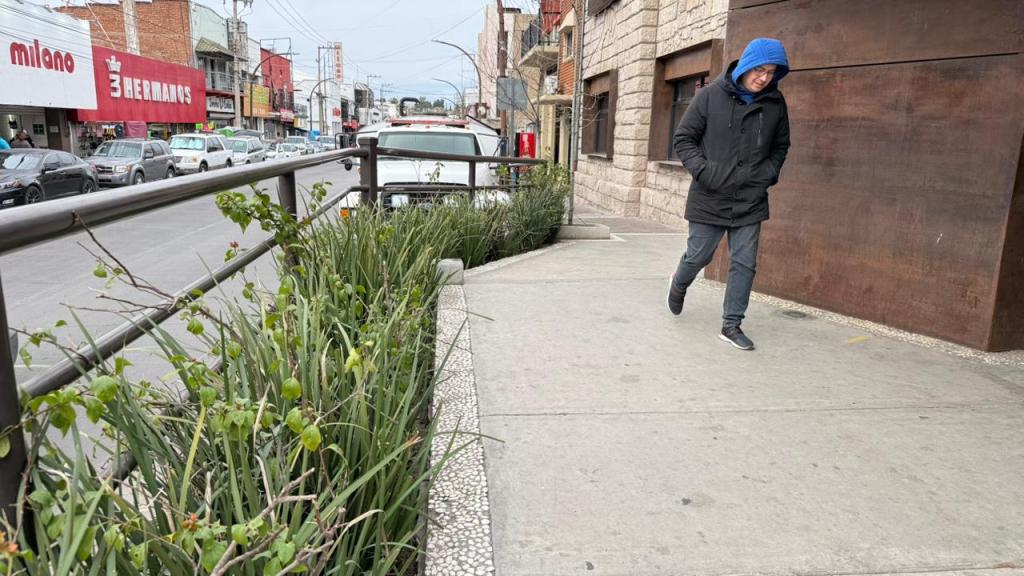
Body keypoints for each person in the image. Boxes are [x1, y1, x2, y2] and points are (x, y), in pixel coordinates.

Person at [667, 37, 791, 351]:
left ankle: (731, 324)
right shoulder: (710, 96)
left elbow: (780, 147)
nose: (764, 77)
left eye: (771, 72)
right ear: (746, 64)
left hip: (750, 197)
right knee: (699, 256)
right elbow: (683, 139)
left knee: (744, 263)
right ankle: (679, 281)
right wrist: (705, 171)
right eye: (760, 69)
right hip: (710, 194)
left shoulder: (775, 104)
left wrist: (767, 175)